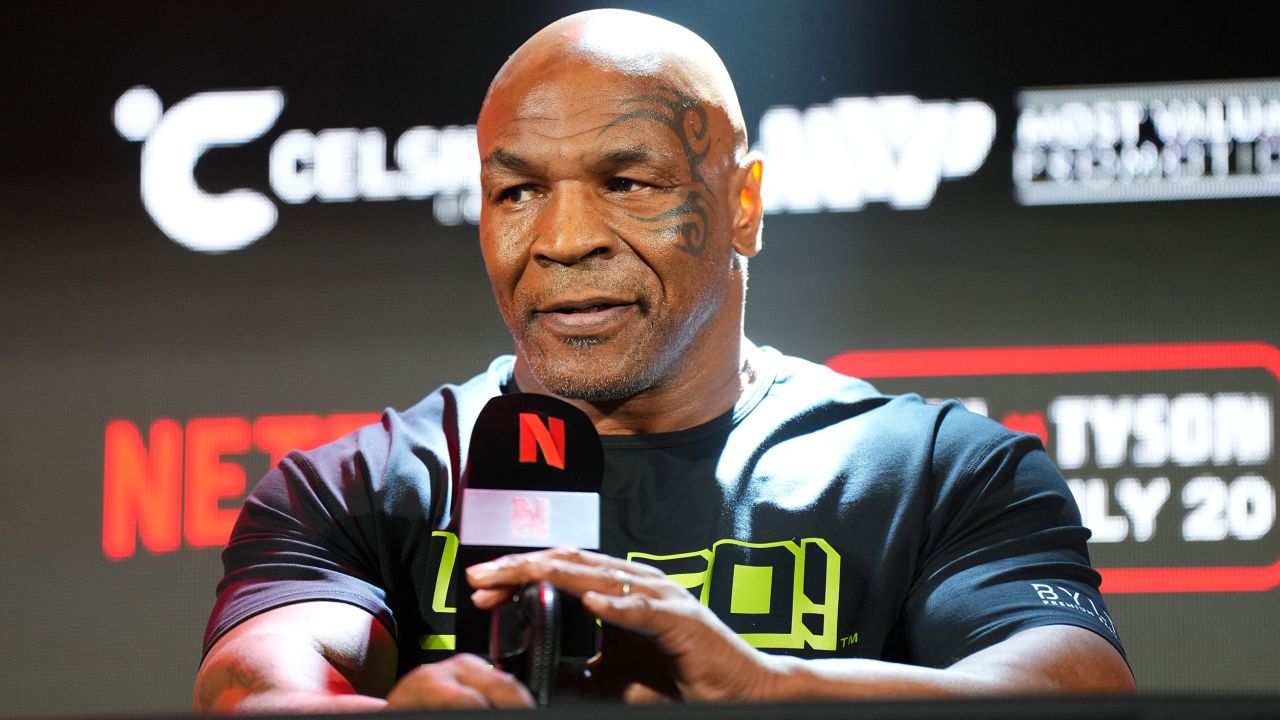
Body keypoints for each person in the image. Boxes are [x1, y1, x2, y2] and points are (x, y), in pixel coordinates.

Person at [194, 9, 1135, 712]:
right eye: (519, 190)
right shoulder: (353, 487)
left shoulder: (940, 471)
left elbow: (1075, 684)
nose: (563, 240)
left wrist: (772, 690)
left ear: (744, 206)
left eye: (628, 183)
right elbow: (252, 685)